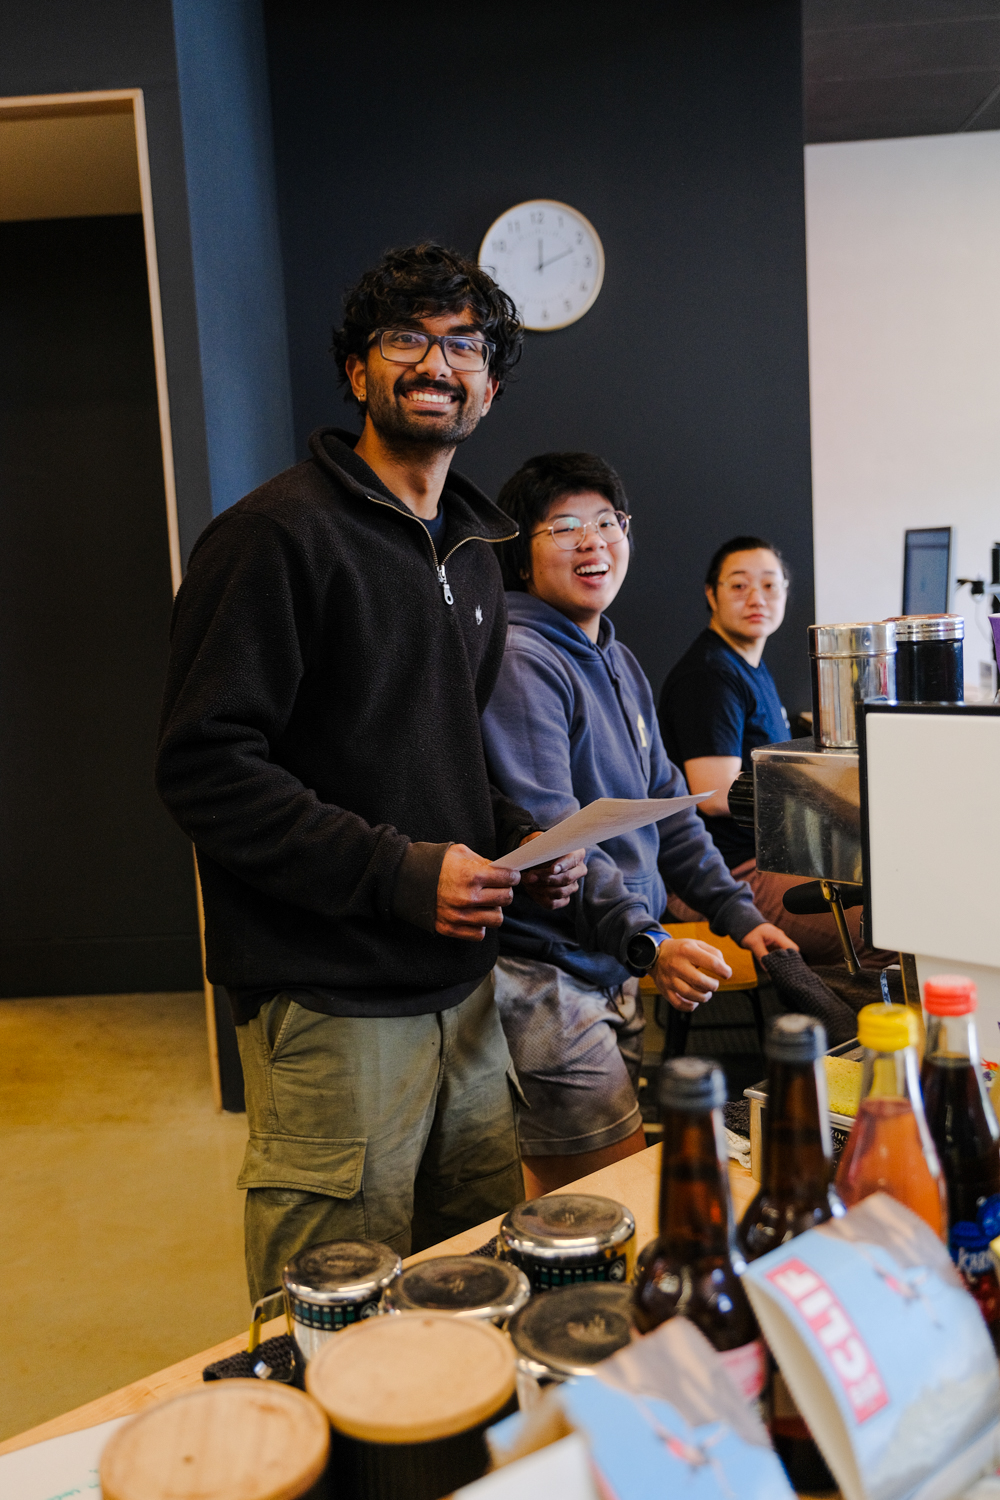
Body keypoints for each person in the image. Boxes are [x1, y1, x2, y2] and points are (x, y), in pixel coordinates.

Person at [155, 244, 584, 1301]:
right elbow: (206, 766)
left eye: (465, 346)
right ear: (357, 372)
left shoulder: (474, 554)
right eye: (406, 339)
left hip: (464, 998)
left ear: (488, 387)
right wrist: (399, 873)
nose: (437, 363)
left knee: (472, 1292)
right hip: (331, 1003)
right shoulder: (271, 537)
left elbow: (435, 756)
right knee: (338, 1317)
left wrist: (518, 846)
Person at [480, 455, 796, 1197]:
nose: (593, 541)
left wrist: (741, 916)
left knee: (577, 1194)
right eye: (564, 527)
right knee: (612, 1192)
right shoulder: (524, 658)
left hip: (609, 960)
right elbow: (558, 839)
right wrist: (649, 941)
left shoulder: (614, 656)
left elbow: (670, 810)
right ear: (521, 553)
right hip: (549, 973)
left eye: (607, 522)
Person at [657, 535, 873, 963]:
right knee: (888, 929)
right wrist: (828, 802)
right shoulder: (709, 676)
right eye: (739, 585)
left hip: (767, 859)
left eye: (770, 585)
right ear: (711, 594)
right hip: (729, 873)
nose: (757, 598)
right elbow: (715, 794)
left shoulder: (748, 663)